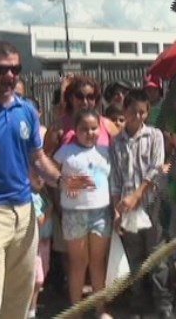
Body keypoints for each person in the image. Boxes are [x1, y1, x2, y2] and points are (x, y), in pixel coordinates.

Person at [0, 41, 90, 319]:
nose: (10, 76)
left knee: (19, 301)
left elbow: (37, 159)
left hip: (24, 214)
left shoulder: (27, 112)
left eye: (15, 69)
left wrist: (63, 181)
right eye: (1, 69)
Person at [110, 89, 171, 318]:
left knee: (157, 256)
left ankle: (163, 303)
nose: (139, 116)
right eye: (134, 111)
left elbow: (156, 168)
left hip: (150, 204)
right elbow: (115, 178)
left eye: (143, 112)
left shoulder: (155, 136)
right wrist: (117, 210)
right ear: (125, 110)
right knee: (134, 256)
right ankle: (138, 303)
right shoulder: (117, 142)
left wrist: (138, 195)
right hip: (126, 207)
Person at [53, 109, 113, 318]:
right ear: (75, 130)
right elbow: (53, 176)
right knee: (78, 263)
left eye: (94, 128)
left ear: (100, 129)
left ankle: (100, 309)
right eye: (84, 129)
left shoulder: (106, 151)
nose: (89, 133)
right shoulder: (65, 152)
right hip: (74, 213)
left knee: (98, 262)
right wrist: (69, 184)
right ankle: (75, 311)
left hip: (101, 213)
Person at [28, 172, 53, 319]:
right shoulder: (29, 196)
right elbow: (38, 220)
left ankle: (32, 308)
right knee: (36, 278)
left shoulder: (43, 194)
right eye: (36, 175)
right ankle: (29, 311)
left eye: (42, 176)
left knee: (41, 276)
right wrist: (47, 213)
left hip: (45, 241)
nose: (40, 178)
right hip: (34, 244)